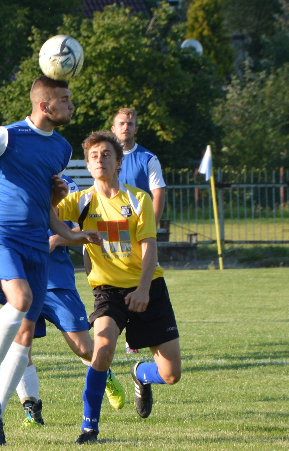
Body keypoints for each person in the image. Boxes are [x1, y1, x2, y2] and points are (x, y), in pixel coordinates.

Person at [0, 75, 101, 447]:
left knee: (25, 337)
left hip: (35, 242)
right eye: (64, 99)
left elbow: (46, 207)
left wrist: (72, 233)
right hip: (2, 235)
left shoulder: (61, 149)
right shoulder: (8, 135)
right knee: (22, 300)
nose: (71, 105)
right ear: (45, 106)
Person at [55, 132, 181, 445]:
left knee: (171, 375)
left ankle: (141, 374)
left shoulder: (138, 199)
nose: (100, 159)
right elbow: (44, 215)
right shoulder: (81, 201)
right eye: (94, 155)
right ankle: (89, 428)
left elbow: (150, 249)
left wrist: (142, 290)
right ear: (87, 164)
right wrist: (64, 228)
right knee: (103, 349)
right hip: (107, 290)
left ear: (118, 161)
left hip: (147, 285)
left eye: (106, 154)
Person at [0, 174, 125, 429]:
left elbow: (85, 228)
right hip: (19, 278)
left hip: (56, 281)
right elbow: (3, 228)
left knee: (83, 347)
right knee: (21, 346)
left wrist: (56, 238)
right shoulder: (17, 181)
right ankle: (31, 409)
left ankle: (103, 372)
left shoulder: (68, 186)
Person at [110, 108, 167, 355]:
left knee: (143, 279)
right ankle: (113, 329)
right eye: (121, 123)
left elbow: (158, 193)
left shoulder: (147, 158)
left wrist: (148, 229)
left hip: (138, 231)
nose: (126, 127)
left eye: (130, 124)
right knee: (111, 281)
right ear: (113, 128)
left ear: (136, 129)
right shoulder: (106, 156)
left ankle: (137, 336)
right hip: (110, 230)